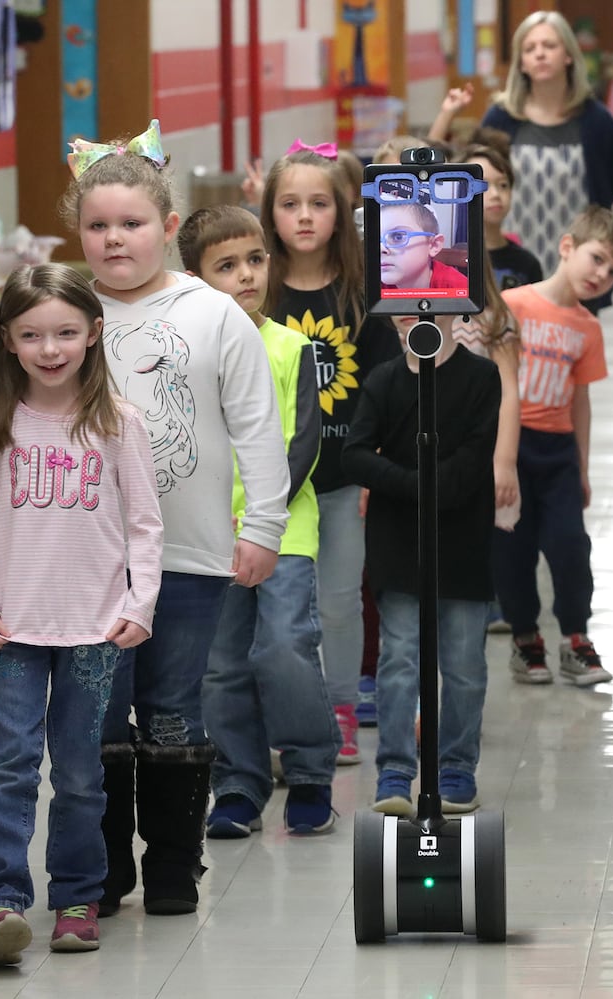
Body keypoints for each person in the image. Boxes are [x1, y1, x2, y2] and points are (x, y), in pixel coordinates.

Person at [61, 120, 290, 917]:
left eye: (131, 224)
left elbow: (257, 424)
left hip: (192, 556)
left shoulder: (213, 314)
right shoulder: (65, 310)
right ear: (79, 231)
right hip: (88, 560)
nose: (114, 239)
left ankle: (171, 868)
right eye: (97, 225)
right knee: (98, 714)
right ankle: (107, 872)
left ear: (166, 228)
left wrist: (262, 527)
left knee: (172, 708)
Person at [0, 264, 164, 966]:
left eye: (66, 333)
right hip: (9, 629)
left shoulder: (118, 423)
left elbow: (144, 528)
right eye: (33, 334)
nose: (50, 348)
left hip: (96, 630)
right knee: (10, 765)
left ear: (93, 334)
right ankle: (0, 903)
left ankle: (77, 895)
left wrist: (139, 604)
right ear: (7, 339)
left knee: (78, 770)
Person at [177, 204, 341, 838]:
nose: (246, 275)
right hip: (206, 534)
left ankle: (307, 772)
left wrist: (261, 521)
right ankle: (239, 784)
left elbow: (302, 444)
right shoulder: (184, 354)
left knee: (283, 648)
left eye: (254, 260)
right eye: (226, 266)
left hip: (282, 530)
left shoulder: (294, 347)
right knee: (220, 665)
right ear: (194, 278)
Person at [260, 143, 402, 767]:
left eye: (319, 204)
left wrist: (377, 466)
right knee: (281, 611)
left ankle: (342, 706)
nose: (306, 217)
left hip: (345, 477)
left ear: (342, 214)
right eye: (290, 205)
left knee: (341, 598)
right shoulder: (254, 292)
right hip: (275, 484)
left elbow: (384, 385)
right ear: (270, 215)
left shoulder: (360, 294)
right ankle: (287, 715)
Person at [342, 313, 501, 816]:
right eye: (403, 304)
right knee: (399, 659)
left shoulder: (481, 377)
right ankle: (394, 769)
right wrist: (417, 487)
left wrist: (408, 483)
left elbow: (472, 462)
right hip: (398, 542)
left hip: (463, 541)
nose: (415, 311)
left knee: (463, 665)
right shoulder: (384, 379)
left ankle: (456, 767)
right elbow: (356, 453)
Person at [496, 206, 613, 687]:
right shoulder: (511, 304)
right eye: (598, 259)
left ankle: (576, 637)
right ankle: (525, 639)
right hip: (509, 449)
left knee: (570, 547)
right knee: (513, 551)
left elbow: (581, 400)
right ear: (567, 247)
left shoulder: (588, 329)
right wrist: (496, 458)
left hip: (557, 453)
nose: (602, 274)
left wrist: (581, 467)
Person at [480, 12, 613, 296]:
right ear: (521, 62)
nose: (540, 54)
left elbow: (612, 181)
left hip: (576, 269)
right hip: (511, 265)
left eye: (549, 46)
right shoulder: (500, 118)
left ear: (569, 55)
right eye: (530, 49)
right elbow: (480, 181)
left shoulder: (596, 120)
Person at [462, 140, 545, 292]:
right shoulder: (450, 260)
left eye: (503, 185)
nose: (495, 194)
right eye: (483, 186)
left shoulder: (526, 263)